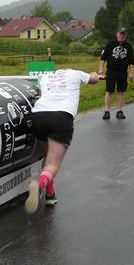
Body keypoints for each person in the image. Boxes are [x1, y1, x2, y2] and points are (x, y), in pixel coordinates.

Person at [24, 68, 100, 212]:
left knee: (47, 156)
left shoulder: (46, 77)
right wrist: (95, 74)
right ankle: (39, 184)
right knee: (53, 164)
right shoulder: (76, 73)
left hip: (39, 115)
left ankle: (50, 194)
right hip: (61, 116)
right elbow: (94, 80)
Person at [98, 27, 134, 119]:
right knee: (109, 91)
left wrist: (131, 73)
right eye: (120, 34)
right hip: (111, 71)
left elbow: (131, 62)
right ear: (117, 34)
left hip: (123, 72)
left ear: (126, 36)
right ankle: (107, 111)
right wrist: (101, 69)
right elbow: (103, 58)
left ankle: (119, 111)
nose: (122, 36)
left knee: (121, 91)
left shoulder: (128, 46)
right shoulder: (110, 44)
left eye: (123, 34)